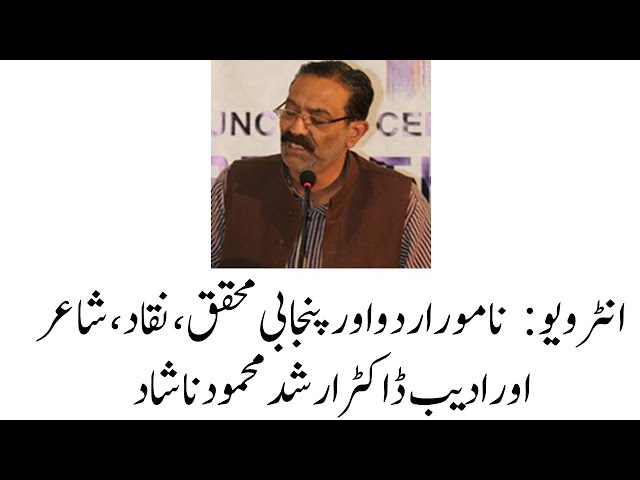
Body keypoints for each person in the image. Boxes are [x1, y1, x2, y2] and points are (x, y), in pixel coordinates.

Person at [211, 60, 430, 268]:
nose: (296, 128)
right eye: (290, 111)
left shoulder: (401, 201)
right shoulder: (235, 184)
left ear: (354, 133)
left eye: (318, 119)